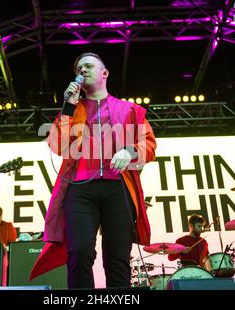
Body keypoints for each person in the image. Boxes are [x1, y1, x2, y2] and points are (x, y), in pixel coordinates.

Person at [30, 52, 157, 288]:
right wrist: (68, 105)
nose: (82, 71)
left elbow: (148, 144)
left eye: (88, 66)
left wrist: (129, 151)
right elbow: (57, 145)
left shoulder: (129, 110)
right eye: (78, 69)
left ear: (104, 73)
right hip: (80, 189)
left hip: (117, 187)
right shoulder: (73, 109)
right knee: (78, 251)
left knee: (117, 258)